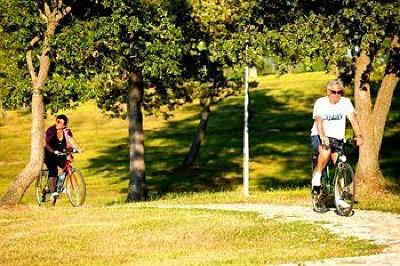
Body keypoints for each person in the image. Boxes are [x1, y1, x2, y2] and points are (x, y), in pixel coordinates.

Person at [310, 80, 363, 209]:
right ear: (328, 92)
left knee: (340, 164)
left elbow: (353, 120)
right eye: (334, 92)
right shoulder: (321, 103)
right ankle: (317, 176)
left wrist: (359, 135)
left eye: (340, 92)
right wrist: (323, 136)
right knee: (326, 152)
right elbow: (319, 121)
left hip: (337, 138)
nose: (337, 95)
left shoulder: (345, 102)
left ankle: (338, 198)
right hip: (319, 134)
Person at [43, 114, 81, 201]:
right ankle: (53, 192)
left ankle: (76, 189)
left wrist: (77, 148)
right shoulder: (51, 130)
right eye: (57, 121)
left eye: (59, 122)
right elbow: (46, 144)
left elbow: (70, 140)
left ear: (64, 125)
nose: (57, 123)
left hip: (59, 154)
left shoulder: (66, 131)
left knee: (68, 169)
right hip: (49, 153)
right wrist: (53, 151)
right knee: (53, 170)